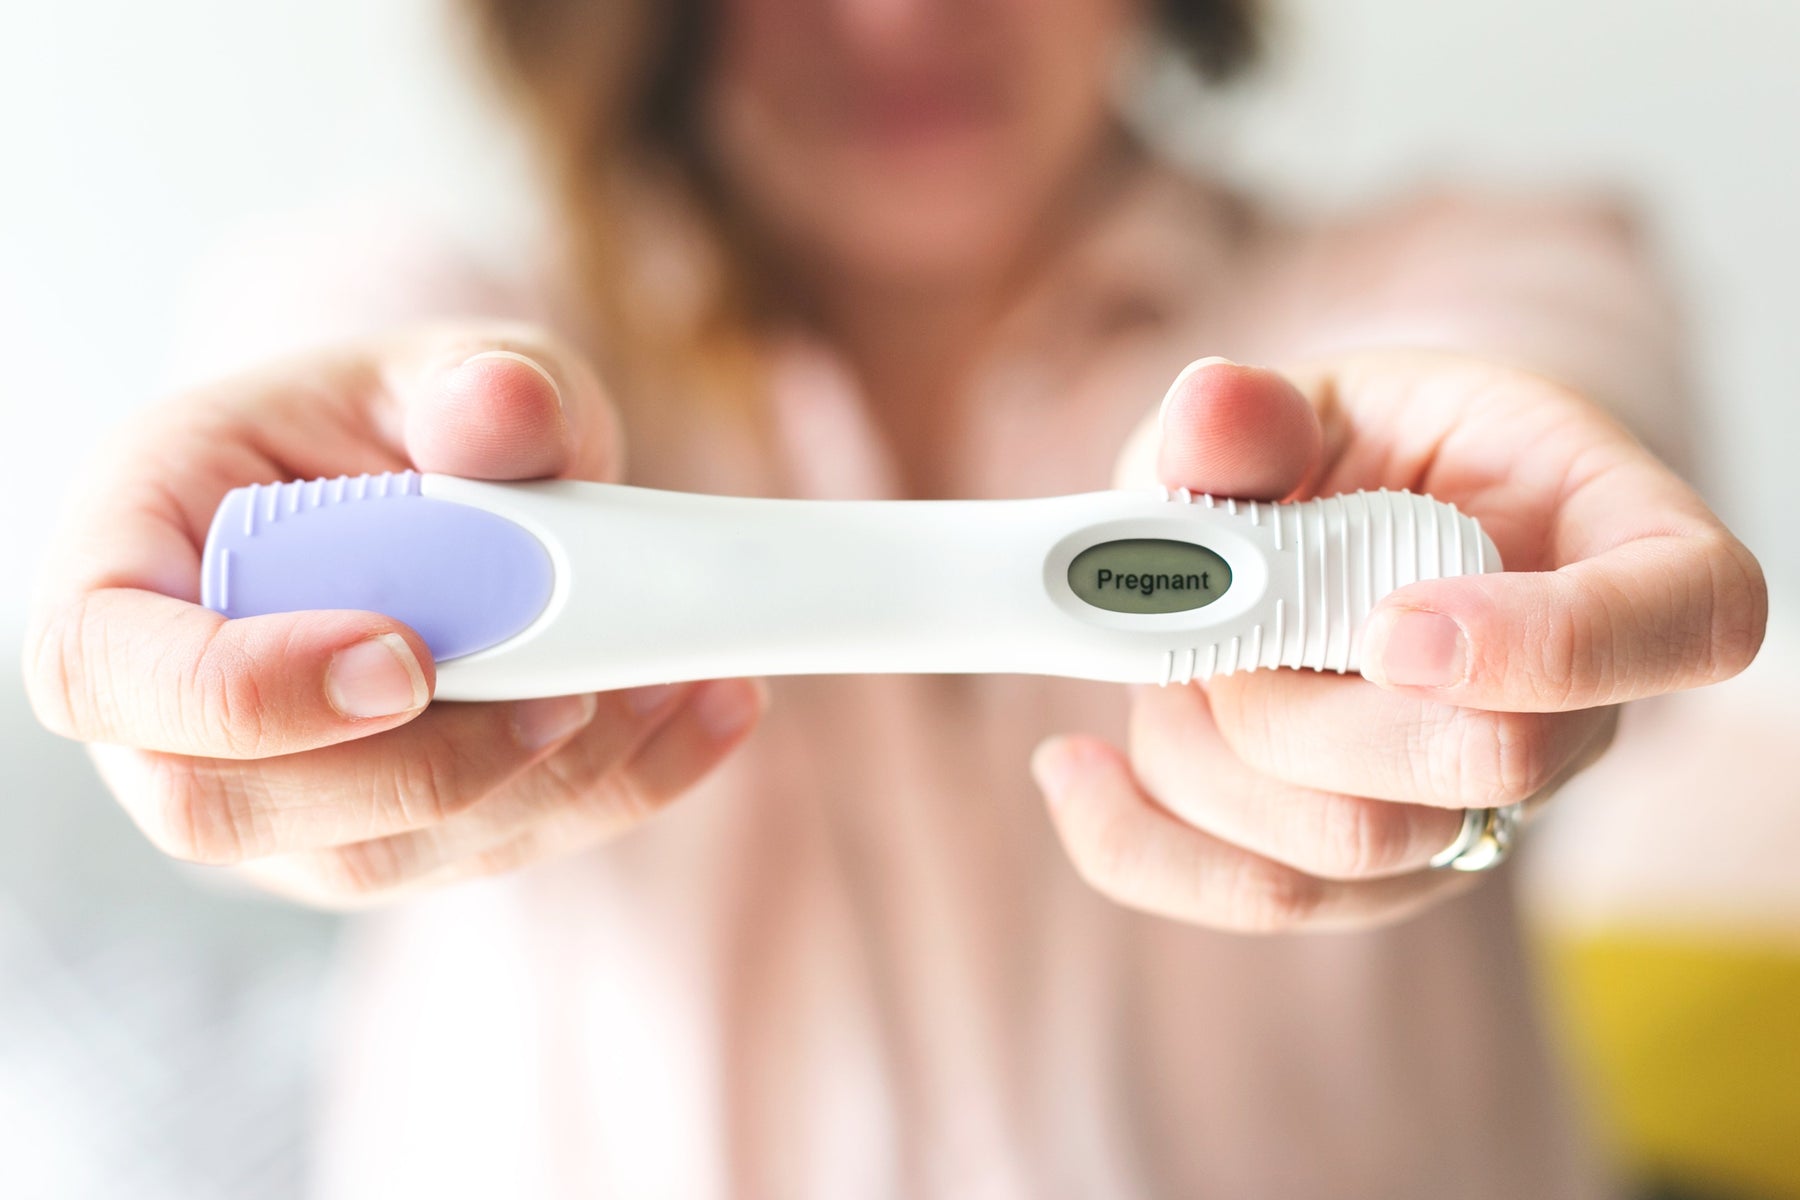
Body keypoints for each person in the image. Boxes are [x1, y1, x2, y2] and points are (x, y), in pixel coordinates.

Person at [22, 1, 1768, 1196]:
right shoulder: (421, 316)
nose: (901, 6)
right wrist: (221, 692)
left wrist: (1488, 684)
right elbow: (290, 381)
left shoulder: (1465, 274)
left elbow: (1539, 388)